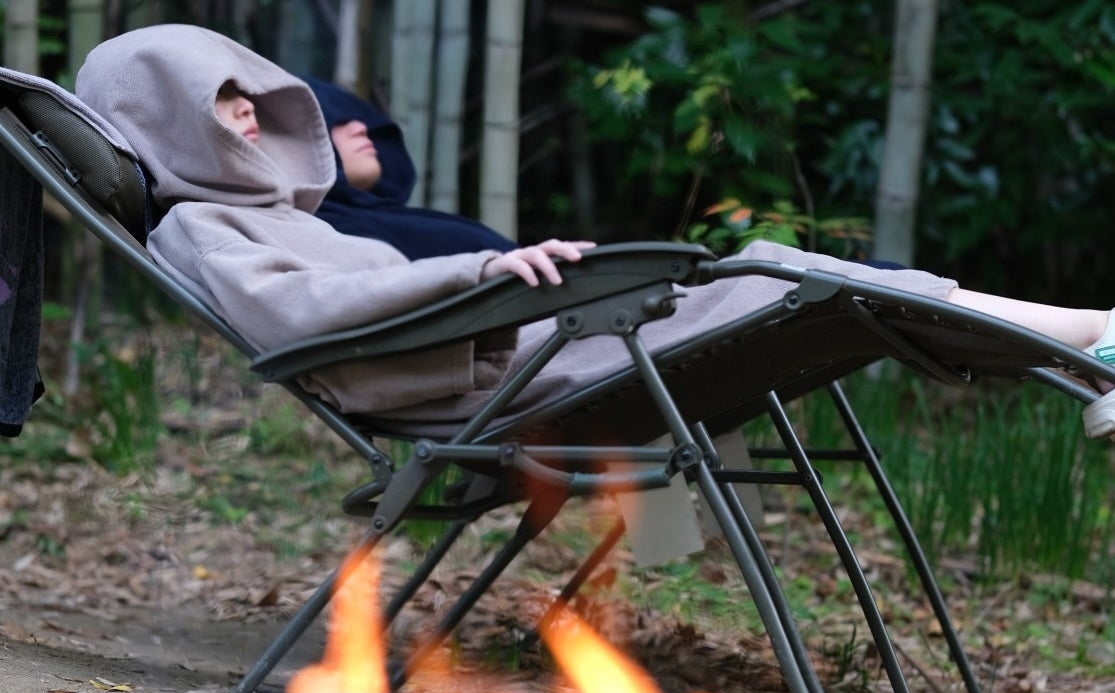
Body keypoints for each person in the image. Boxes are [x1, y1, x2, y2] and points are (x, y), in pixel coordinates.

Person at [74, 25, 1115, 435]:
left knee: (783, 274)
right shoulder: (201, 232)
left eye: (248, 95)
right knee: (782, 278)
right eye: (220, 104)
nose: (248, 112)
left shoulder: (275, 214)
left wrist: (486, 284)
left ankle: (1084, 350)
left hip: (540, 355)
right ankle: (1087, 345)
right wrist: (486, 273)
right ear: (158, 120)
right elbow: (305, 315)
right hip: (515, 384)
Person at [301, 76, 516, 260]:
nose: (360, 128)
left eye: (356, 118)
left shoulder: (399, 224)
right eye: (330, 119)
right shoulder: (312, 238)